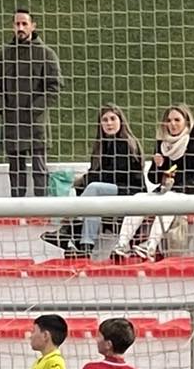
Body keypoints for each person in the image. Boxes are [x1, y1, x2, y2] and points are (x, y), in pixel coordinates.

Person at [41, 104, 146, 258]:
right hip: (110, 191)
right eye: (105, 120)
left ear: (120, 121)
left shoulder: (125, 143)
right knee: (89, 195)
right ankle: (84, 245)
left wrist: (84, 179)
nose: (109, 123)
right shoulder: (101, 146)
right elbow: (96, 173)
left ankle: (71, 231)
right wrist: (83, 181)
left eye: (112, 119)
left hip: (131, 190)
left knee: (94, 188)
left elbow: (114, 175)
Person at [111, 103, 194, 260]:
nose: (172, 124)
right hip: (165, 191)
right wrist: (157, 166)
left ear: (186, 121)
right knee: (138, 198)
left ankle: (150, 246)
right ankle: (122, 244)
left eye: (177, 120)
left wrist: (176, 188)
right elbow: (153, 178)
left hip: (190, 192)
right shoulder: (163, 143)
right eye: (169, 120)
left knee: (169, 200)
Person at [0, 8, 63, 198]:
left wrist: (35, 108)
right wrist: (2, 108)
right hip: (12, 120)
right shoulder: (4, 54)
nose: (21, 28)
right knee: (15, 167)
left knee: (39, 166)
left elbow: (54, 86)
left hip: (35, 121)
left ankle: (41, 207)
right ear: (12, 26)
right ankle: (17, 208)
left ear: (33, 26)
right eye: (17, 24)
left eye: (24, 24)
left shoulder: (45, 54)